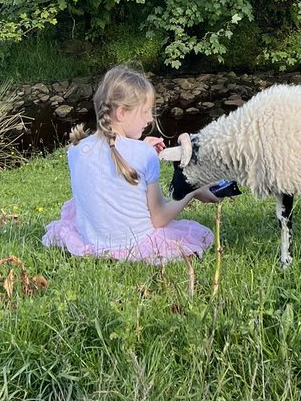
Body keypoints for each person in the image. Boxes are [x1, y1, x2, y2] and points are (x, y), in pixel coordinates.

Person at [42, 64, 217, 264]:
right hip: (136, 244)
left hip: (92, 241)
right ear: (122, 113)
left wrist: (141, 147)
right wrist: (192, 192)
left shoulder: (75, 150)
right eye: (145, 111)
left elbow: (108, 174)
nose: (149, 119)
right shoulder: (143, 154)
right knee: (200, 234)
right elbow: (159, 218)